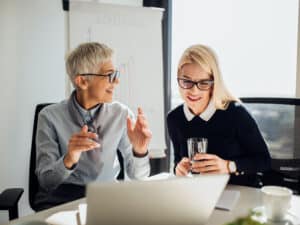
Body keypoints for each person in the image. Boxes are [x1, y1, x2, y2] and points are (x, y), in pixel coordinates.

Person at [35, 42, 152, 210]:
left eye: (116, 74)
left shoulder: (122, 114)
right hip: (62, 197)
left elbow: (139, 177)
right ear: (82, 81)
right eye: (110, 75)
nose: (117, 81)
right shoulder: (49, 116)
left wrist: (140, 151)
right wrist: (70, 158)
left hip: (107, 196)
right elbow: (46, 182)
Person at [167, 44, 271, 186]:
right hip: (200, 193)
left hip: (238, 192)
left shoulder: (236, 114)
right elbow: (178, 161)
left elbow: (264, 161)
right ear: (178, 80)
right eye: (187, 81)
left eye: (203, 83)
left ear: (214, 83)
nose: (194, 91)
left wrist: (229, 166)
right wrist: (178, 169)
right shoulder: (174, 118)